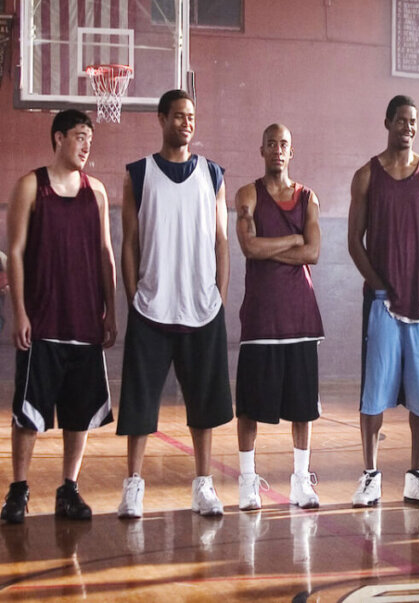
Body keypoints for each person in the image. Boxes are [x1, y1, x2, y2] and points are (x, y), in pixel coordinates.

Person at [116, 89, 234, 518]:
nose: (187, 123)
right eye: (179, 116)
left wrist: (219, 295)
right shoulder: (138, 174)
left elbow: (222, 240)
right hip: (152, 305)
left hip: (202, 305)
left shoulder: (213, 174)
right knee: (139, 403)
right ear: (162, 119)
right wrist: (133, 295)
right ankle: (133, 486)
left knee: (204, 403)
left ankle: (203, 485)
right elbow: (129, 242)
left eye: (192, 116)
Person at [1, 110, 117, 525]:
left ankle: (69, 488)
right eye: (79, 136)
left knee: (79, 413)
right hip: (44, 319)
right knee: (28, 413)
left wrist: (111, 312)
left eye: (90, 138)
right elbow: (14, 251)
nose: (86, 145)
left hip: (85, 321)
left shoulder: (98, 192)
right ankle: (18, 490)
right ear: (58, 138)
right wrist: (19, 312)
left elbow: (106, 254)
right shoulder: (31, 185)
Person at [348, 95, 419, 507]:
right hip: (383, 303)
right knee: (374, 394)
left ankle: (416, 477)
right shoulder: (367, 175)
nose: (408, 127)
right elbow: (355, 242)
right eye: (401, 120)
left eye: (413, 121)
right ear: (387, 122)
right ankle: (370, 476)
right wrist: (380, 288)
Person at [235, 124, 324, 511]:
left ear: (292, 151)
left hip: (300, 317)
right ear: (261, 149)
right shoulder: (247, 194)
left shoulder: (308, 197)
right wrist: (292, 240)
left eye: (283, 144)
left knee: (302, 409)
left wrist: (281, 248)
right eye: (271, 143)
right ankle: (247, 482)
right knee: (251, 409)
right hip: (261, 320)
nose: (277, 149)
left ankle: (301, 481)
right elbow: (249, 248)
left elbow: (314, 253)